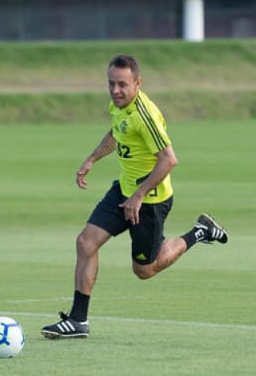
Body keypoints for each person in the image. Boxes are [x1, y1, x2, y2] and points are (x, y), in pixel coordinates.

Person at [41, 54, 228, 339]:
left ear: (138, 83)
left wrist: (139, 196)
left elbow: (169, 160)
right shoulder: (120, 107)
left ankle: (200, 232)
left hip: (150, 202)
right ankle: (78, 320)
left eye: (122, 85)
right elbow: (118, 133)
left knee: (145, 270)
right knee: (85, 242)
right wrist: (92, 159)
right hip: (124, 190)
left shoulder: (145, 114)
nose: (116, 91)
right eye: (111, 84)